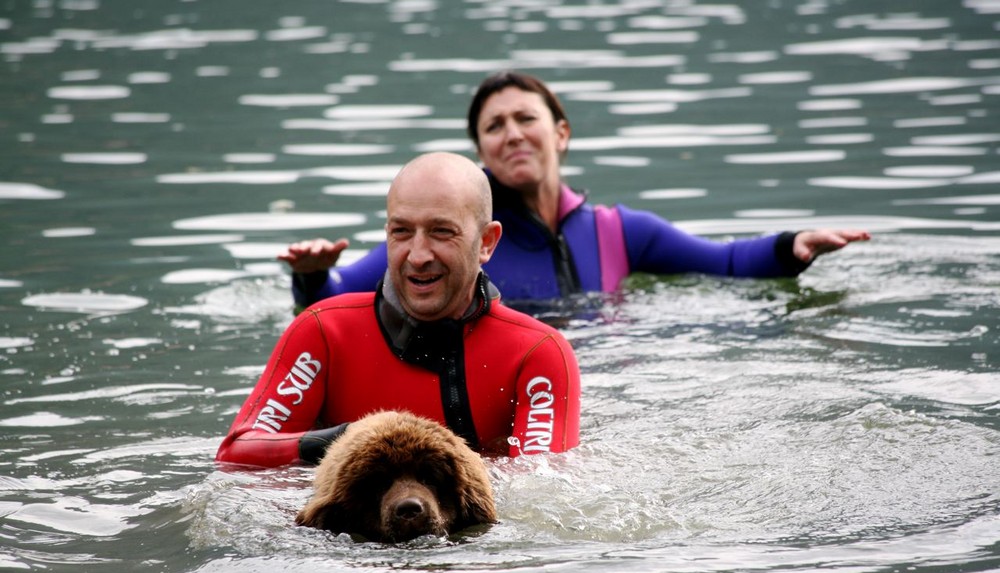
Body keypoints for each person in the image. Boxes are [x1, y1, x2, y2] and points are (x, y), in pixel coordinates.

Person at [280, 71, 871, 308]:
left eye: (525, 119)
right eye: (494, 126)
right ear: (480, 151)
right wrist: (311, 275)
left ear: (560, 133)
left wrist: (791, 246)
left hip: (610, 382)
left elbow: (723, 261)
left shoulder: (619, 231)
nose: (512, 134)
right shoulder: (451, 242)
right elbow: (337, 301)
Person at [216, 152, 581, 467]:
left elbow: (542, 487)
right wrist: (350, 439)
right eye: (402, 232)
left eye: (441, 232)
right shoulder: (323, 332)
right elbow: (237, 452)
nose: (418, 256)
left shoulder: (539, 353)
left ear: (486, 242)